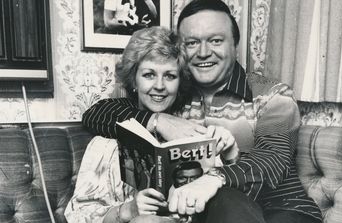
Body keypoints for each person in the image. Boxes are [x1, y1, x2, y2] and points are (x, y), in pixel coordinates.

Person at [81, 0, 323, 222]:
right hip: (211, 213)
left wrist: (214, 178)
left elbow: (271, 159)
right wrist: (158, 120)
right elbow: (98, 113)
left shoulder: (272, 94)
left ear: (235, 44)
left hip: (282, 210)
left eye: (215, 40)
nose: (204, 52)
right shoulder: (174, 93)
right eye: (192, 43)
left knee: (228, 199)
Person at [66, 26, 239, 223]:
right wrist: (127, 210)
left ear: (179, 82)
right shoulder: (106, 140)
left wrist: (229, 153)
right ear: (134, 80)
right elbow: (78, 215)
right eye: (149, 74)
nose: (159, 86)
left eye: (170, 76)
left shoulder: (192, 131)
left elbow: (233, 199)